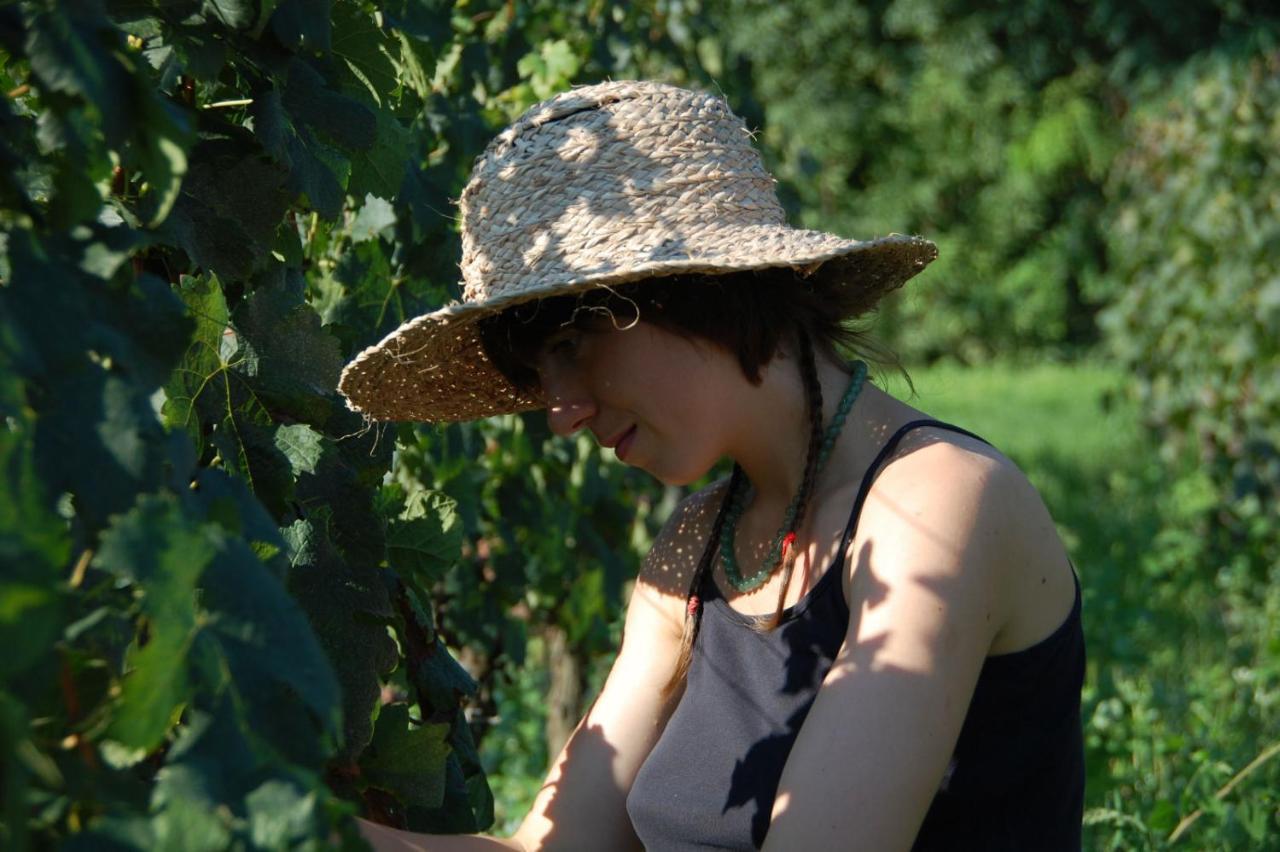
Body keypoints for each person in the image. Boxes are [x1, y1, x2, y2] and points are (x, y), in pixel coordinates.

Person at [339, 80, 1085, 851]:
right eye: (539, 374)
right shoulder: (695, 553)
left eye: (570, 347)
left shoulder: (937, 507)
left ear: (696, 287)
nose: (560, 415)